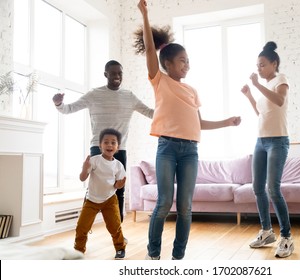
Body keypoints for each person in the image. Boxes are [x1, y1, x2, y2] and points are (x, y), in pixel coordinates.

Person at [135, 0, 241, 260]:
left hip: (190, 151)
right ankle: (153, 254)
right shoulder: (159, 81)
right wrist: (145, 15)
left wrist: (226, 122)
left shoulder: (192, 90)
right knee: (163, 204)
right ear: (167, 64)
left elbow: (199, 123)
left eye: (188, 61)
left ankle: (178, 257)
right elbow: (150, 48)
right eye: (182, 61)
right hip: (167, 148)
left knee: (185, 207)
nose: (187, 65)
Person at [52, 60, 154, 222]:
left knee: (118, 190)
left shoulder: (129, 96)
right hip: (97, 149)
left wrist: (169, 110)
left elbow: (150, 113)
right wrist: (59, 103)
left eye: (120, 73)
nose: (117, 76)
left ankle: (118, 230)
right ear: (105, 74)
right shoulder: (94, 94)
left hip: (119, 150)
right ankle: (84, 228)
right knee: (93, 189)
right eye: (113, 73)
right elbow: (69, 108)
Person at [240, 41, 294, 258]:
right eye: (257, 65)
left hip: (278, 141)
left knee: (273, 188)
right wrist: (249, 96)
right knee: (257, 187)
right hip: (261, 141)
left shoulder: (281, 80)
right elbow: (261, 113)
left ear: (274, 63)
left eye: (262, 65)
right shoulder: (263, 89)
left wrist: (256, 86)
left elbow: (279, 101)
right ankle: (266, 231)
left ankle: (287, 237)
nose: (259, 68)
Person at [74, 128, 127, 259]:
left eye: (113, 142)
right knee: (82, 227)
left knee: (115, 227)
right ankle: (78, 251)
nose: (109, 145)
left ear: (117, 147)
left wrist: (119, 185)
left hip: (109, 200)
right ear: (100, 145)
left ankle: (120, 247)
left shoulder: (118, 165)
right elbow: (82, 178)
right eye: (106, 142)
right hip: (91, 200)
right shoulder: (94, 160)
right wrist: (84, 168)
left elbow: (117, 184)